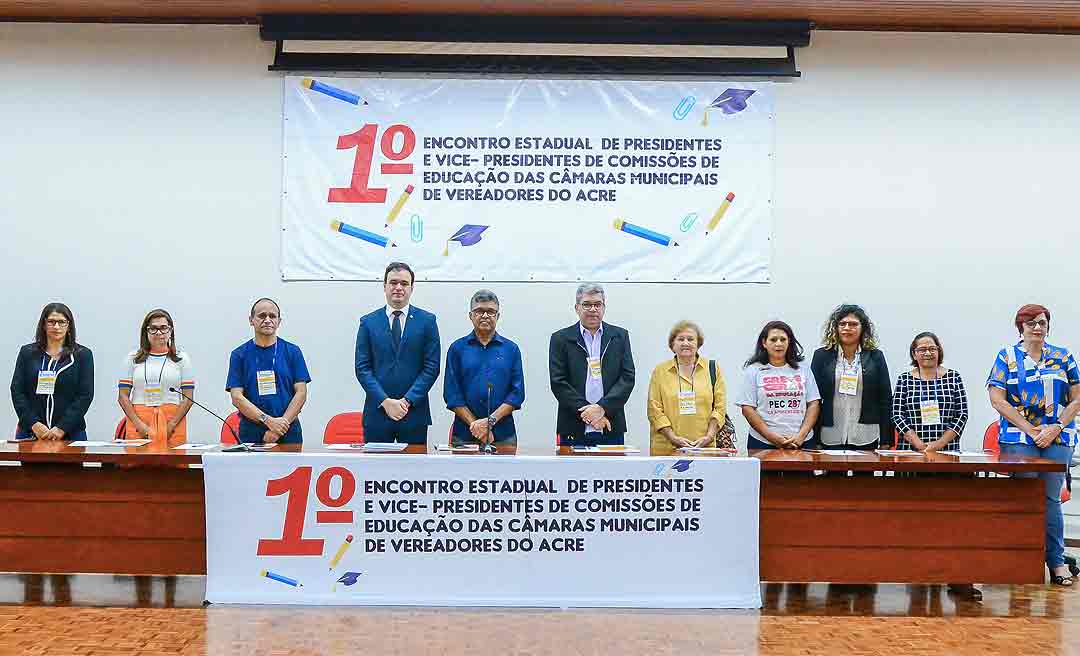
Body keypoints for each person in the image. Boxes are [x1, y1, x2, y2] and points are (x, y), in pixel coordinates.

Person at [987, 304, 1080, 586]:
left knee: (1051, 499)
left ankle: (1057, 563)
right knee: (1024, 498)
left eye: (1042, 323)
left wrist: (1056, 427)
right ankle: (1020, 563)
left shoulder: (1063, 356)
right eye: (1031, 323)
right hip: (1019, 437)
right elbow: (997, 398)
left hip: (1059, 436)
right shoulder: (1006, 356)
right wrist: (1029, 429)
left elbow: (1077, 398)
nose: (1037, 328)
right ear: (1021, 327)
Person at [355, 262, 441, 444]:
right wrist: (386, 402)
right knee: (376, 463)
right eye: (393, 282)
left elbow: (431, 367)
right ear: (384, 286)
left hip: (414, 414)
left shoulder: (427, 321)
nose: (398, 287)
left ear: (412, 288)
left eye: (404, 283)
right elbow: (362, 369)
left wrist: (407, 401)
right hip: (377, 413)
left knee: (413, 463)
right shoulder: (368, 322)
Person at [549, 283, 635, 446]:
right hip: (573, 425)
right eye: (587, 304)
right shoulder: (560, 338)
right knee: (571, 465)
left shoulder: (619, 336)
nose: (593, 309)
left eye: (597, 304)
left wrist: (602, 408)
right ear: (577, 308)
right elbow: (558, 382)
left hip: (610, 424)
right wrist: (590, 413)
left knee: (613, 465)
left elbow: (627, 378)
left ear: (604, 307)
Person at [443, 290, 525, 449]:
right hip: (465, 433)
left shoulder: (511, 349)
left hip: (503, 434)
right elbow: (452, 394)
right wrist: (476, 426)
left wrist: (490, 422)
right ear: (470, 315)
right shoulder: (457, 349)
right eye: (479, 311)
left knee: (506, 467)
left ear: (498, 316)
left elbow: (517, 394)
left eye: (491, 311)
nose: (485, 316)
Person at [226, 298, 311, 444]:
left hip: (288, 429)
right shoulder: (239, 355)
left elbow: (301, 393)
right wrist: (268, 421)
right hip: (252, 431)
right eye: (262, 316)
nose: (267, 320)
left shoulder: (293, 351)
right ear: (251, 320)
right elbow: (236, 396)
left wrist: (279, 427)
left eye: (272, 316)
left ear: (279, 321)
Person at [810, 304, 893, 450]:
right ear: (836, 328)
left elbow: (885, 398)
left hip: (866, 434)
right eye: (842, 324)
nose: (847, 328)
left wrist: (886, 439)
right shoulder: (821, 356)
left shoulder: (876, 356)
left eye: (853, 324)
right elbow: (813, 400)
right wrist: (814, 438)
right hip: (829, 434)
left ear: (863, 328)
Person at [10, 303, 94, 441]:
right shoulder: (27, 353)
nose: (56, 326)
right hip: (31, 431)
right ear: (43, 325)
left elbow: (85, 395)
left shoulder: (82, 355)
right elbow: (17, 391)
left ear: (69, 326)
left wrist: (61, 428)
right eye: (51, 321)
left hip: (71, 432)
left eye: (61, 322)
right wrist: (34, 424)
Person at [646, 321, 727, 456]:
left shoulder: (712, 368)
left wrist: (709, 436)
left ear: (698, 343)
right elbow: (654, 409)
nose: (685, 343)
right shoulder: (660, 371)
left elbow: (720, 407)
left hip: (704, 448)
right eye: (680, 339)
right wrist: (672, 437)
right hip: (667, 448)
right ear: (672, 344)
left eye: (690, 339)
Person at [737, 320, 821, 450]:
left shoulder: (803, 369)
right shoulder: (753, 370)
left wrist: (801, 435)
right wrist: (772, 438)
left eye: (783, 339)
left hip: (802, 441)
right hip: (763, 442)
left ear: (789, 342)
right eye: (773, 340)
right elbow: (747, 408)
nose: (778, 344)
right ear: (764, 343)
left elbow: (814, 403)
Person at [116, 309, 195, 446]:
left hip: (173, 422)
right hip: (139, 421)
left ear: (170, 331)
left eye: (163, 328)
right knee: (138, 458)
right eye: (153, 328)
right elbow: (123, 396)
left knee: (173, 459)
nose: (159, 333)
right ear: (146, 332)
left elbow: (188, 398)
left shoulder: (182, 358)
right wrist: (139, 425)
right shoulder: (132, 358)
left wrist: (171, 425)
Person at [892, 332, 968, 452]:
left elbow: (962, 415)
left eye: (932, 349)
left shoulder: (953, 377)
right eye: (922, 349)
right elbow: (897, 415)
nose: (928, 353)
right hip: (911, 450)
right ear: (914, 354)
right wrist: (919, 444)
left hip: (947, 449)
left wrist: (939, 444)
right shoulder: (904, 379)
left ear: (939, 351)